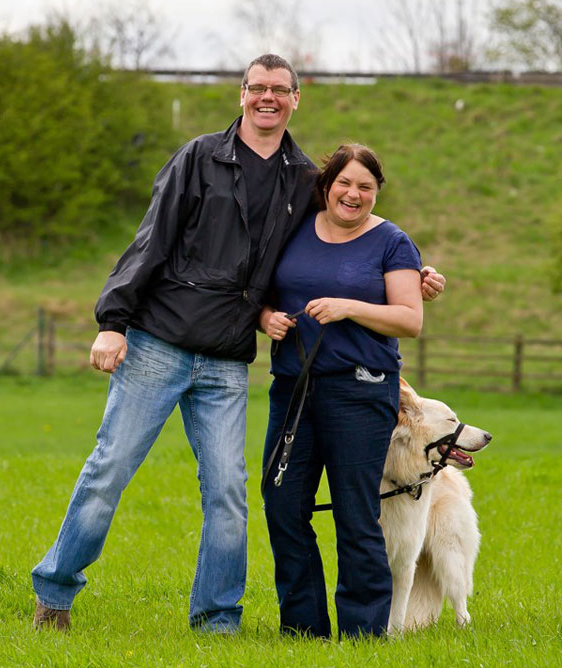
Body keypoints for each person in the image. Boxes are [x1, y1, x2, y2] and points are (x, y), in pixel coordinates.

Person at [31, 54, 444, 634]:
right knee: (110, 469)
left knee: (228, 493)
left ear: (297, 98)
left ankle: (217, 620)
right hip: (160, 342)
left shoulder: (305, 179)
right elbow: (151, 239)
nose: (267, 97)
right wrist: (113, 319)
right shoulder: (199, 157)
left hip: (227, 359)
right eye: (257, 88)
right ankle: (54, 594)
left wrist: (412, 272)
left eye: (280, 89)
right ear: (241, 93)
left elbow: (348, 225)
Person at [259, 143, 424, 639]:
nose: (353, 195)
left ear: (377, 193)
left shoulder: (393, 242)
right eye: (345, 184)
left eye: (366, 187)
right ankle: (303, 629)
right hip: (293, 388)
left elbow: (409, 319)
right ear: (326, 186)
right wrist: (266, 317)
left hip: (361, 391)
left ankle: (363, 633)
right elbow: (262, 289)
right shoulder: (294, 230)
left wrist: (349, 306)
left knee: (356, 513)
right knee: (283, 506)